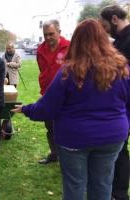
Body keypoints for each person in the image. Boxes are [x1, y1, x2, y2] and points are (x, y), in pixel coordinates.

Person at [12, 19, 129, 200]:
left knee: (75, 185)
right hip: (112, 137)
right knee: (103, 184)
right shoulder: (122, 68)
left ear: (77, 41)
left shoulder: (70, 70)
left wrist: (26, 109)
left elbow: (47, 108)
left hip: (75, 139)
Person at [101, 5, 130, 200]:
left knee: (120, 150)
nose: (103, 29)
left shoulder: (127, 41)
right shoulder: (120, 40)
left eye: (104, 24)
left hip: (126, 104)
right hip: (123, 103)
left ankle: (119, 194)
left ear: (113, 19)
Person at [36, 19, 70, 164]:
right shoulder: (40, 50)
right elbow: (42, 70)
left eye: (51, 34)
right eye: (45, 35)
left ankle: (67, 158)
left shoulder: (69, 47)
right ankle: (54, 154)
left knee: (65, 128)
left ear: (59, 32)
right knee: (50, 127)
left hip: (66, 96)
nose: (48, 37)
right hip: (48, 95)